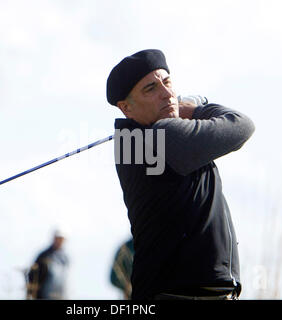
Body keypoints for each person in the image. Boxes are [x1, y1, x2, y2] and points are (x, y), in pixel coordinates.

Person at [106, 49, 255, 300]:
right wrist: (196, 110)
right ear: (126, 108)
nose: (167, 94)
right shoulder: (165, 135)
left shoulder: (133, 140)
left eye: (167, 82)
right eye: (150, 89)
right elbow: (241, 125)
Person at [26, 228, 69, 300]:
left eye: (62, 239)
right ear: (54, 238)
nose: (60, 241)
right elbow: (32, 276)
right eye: (58, 238)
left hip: (62, 296)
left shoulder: (65, 257)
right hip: (45, 296)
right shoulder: (44, 256)